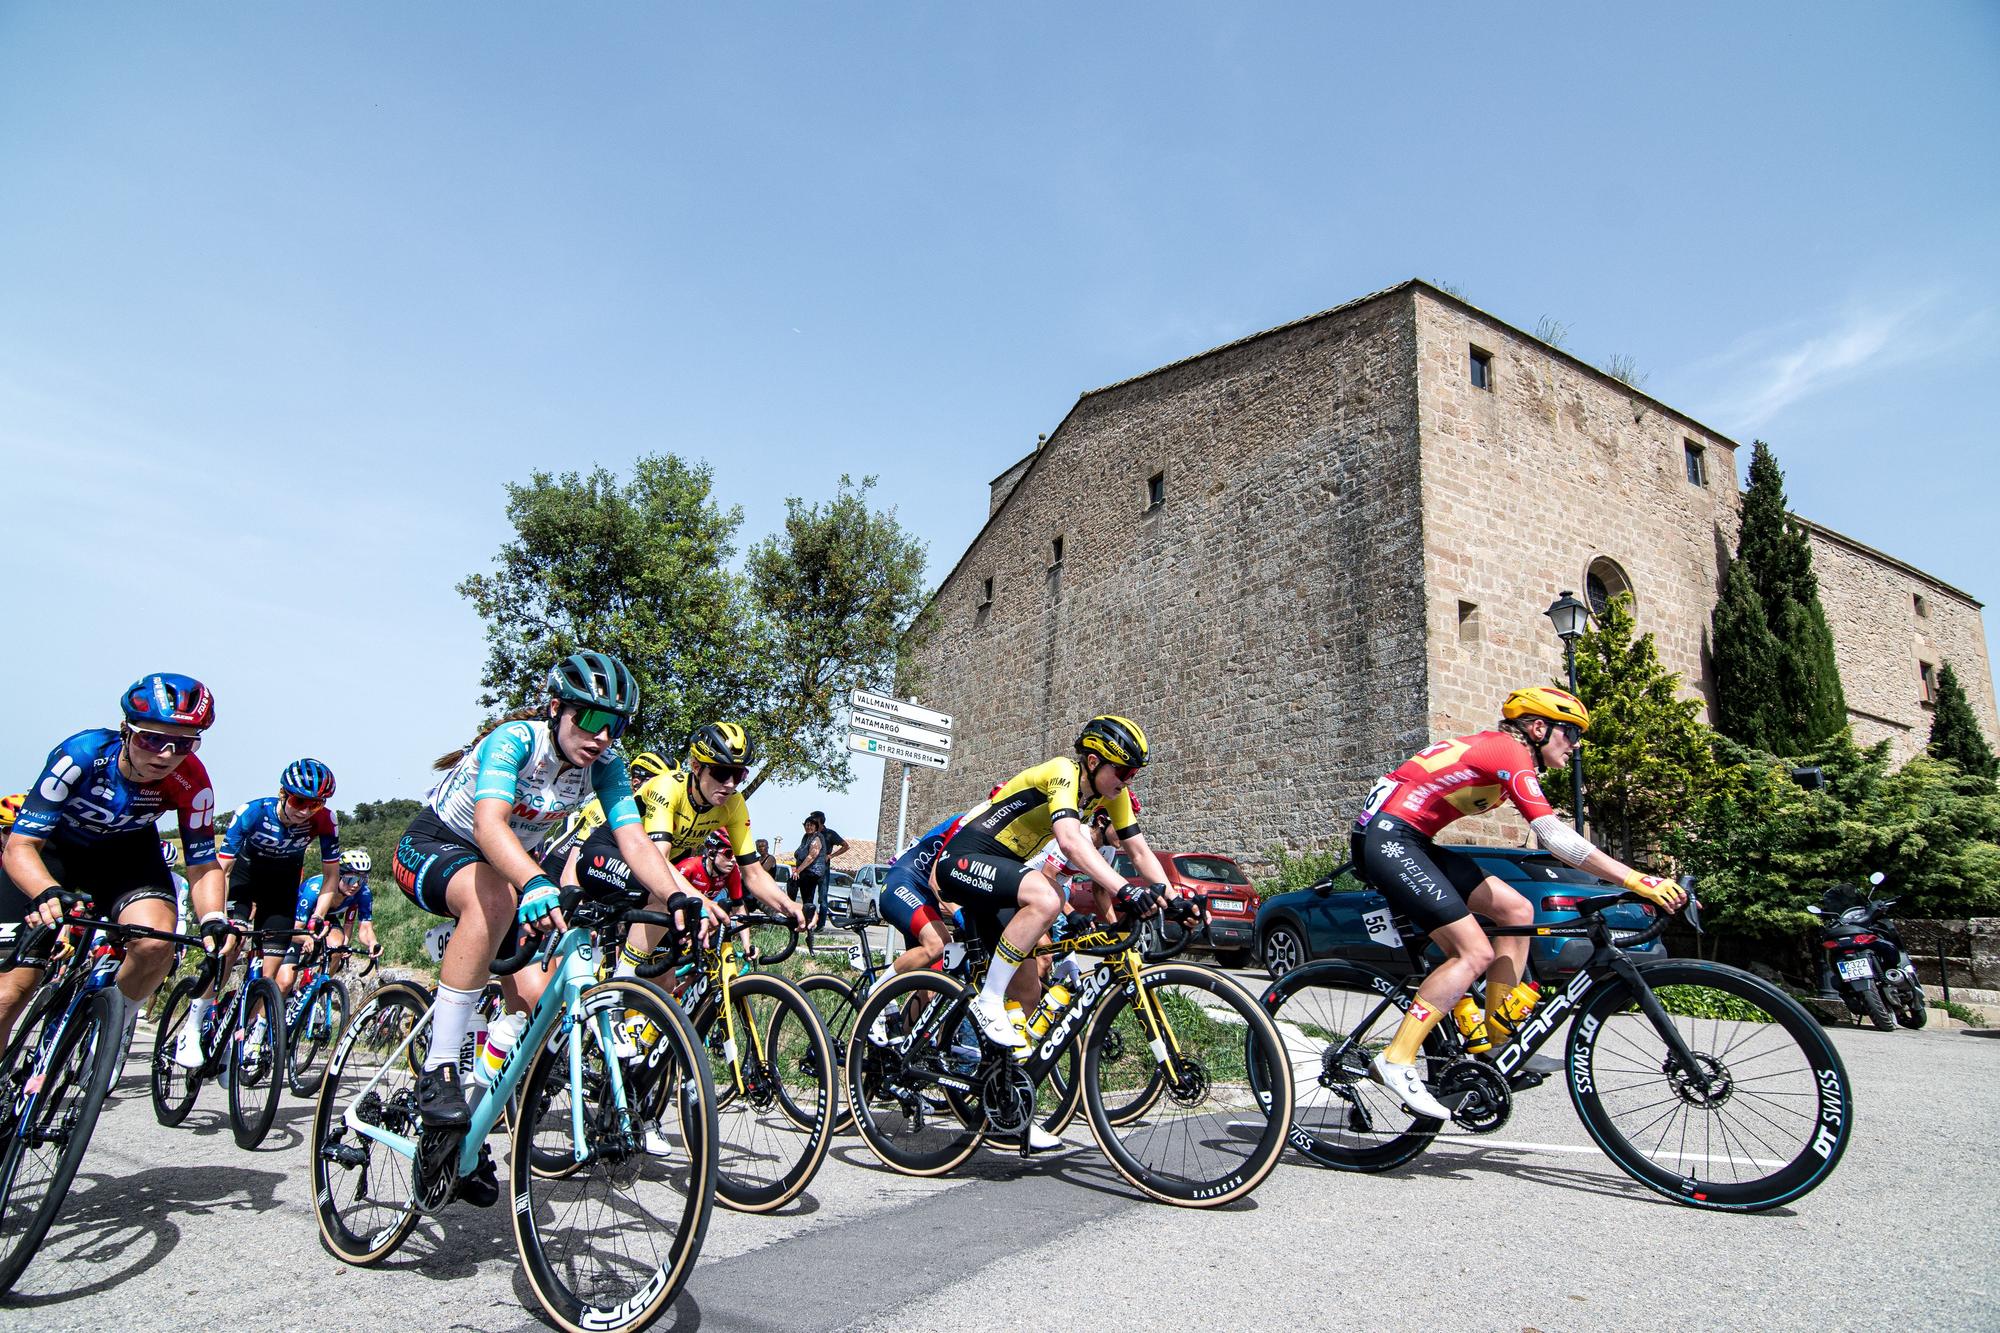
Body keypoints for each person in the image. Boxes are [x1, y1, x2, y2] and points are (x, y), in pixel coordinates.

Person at [392, 650, 688, 1206]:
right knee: (497, 897)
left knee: (529, 1003)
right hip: (437, 847)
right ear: (557, 709)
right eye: (592, 719)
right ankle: (437, 1071)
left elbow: (634, 841)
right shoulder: (515, 741)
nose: (603, 736)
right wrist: (533, 882)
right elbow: (488, 824)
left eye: (616, 724)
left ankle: (462, 1138)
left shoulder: (606, 766)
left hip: (506, 873)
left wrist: (676, 894)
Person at [1352, 686, 1688, 1119]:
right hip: (1388, 840)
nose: (1577, 745)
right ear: (1538, 728)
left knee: (1517, 910)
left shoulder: (1502, 752)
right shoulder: (1508, 751)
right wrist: (1636, 878)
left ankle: (1497, 1042)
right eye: (1571, 733)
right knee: (1474, 951)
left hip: (1409, 839)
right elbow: (1554, 837)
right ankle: (1396, 1059)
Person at [0, 674, 223, 1062]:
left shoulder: (191, 780)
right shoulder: (81, 754)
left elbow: (202, 865)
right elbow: (20, 846)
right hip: (55, 852)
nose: (167, 755)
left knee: (156, 943)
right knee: (9, 993)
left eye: (184, 744)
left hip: (127, 855)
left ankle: (110, 1025)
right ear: (126, 730)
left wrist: (215, 918)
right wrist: (45, 891)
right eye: (152, 739)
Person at [937, 715, 1173, 1051]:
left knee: (1029, 990)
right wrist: (1127, 889)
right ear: (1093, 762)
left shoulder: (1111, 797)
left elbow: (1140, 852)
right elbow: (1070, 842)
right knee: (1049, 896)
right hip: (964, 857)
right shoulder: (1063, 772)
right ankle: (988, 1000)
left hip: (1002, 875)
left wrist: (1176, 899)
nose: (1127, 781)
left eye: (1133, 774)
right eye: (1123, 772)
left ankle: (995, 1078)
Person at [555, 722, 806, 963]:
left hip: (651, 870)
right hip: (606, 853)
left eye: (739, 775)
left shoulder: (734, 804)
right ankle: (625, 982)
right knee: (664, 894)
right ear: (696, 766)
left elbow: (752, 873)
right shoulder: (667, 787)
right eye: (721, 773)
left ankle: (639, 992)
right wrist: (703, 901)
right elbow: (657, 863)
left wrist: (788, 905)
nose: (730, 784)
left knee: (664, 979)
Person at [186, 758, 341, 1067]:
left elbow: (331, 877)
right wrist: (217, 914)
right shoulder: (253, 812)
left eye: (315, 804)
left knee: (269, 976)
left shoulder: (326, 820)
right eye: (299, 801)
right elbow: (223, 866)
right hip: (245, 881)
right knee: (231, 944)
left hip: (282, 889)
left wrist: (317, 917)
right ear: (283, 793)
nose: (305, 811)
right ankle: (194, 1021)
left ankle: (246, 1039)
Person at [301, 848, 380, 975]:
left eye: (362, 880)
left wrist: (372, 943)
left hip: (327, 918)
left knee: (337, 948)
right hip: (299, 919)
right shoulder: (315, 889)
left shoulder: (363, 892)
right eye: (351, 879)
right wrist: (306, 938)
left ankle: (318, 987)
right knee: (285, 982)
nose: (355, 885)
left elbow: (364, 928)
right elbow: (296, 926)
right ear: (338, 876)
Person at [795, 812, 848, 932]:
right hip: (807, 871)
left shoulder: (829, 834)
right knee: (808, 897)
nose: (810, 823)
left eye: (813, 820)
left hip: (821, 870)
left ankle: (821, 925)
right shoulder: (808, 835)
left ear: (819, 821)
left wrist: (831, 856)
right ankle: (807, 921)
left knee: (822, 898)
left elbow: (845, 846)